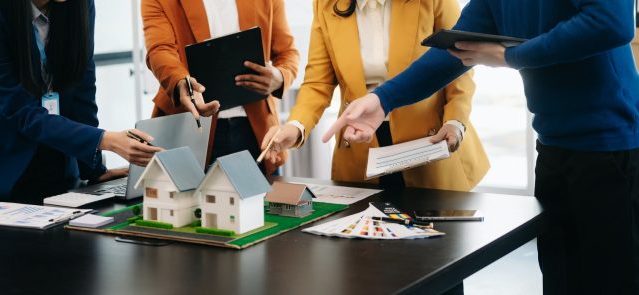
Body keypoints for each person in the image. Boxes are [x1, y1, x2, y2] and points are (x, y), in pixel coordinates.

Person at [324, 0, 639, 293]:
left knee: (611, 281)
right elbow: (455, 48)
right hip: (554, 147)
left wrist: (510, 56)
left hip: (611, 148)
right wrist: (383, 100)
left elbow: (611, 23)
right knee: (560, 279)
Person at [0, 0, 161, 207]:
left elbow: (81, 91)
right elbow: (19, 111)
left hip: (52, 169)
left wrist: (92, 169)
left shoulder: (79, 5)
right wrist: (105, 140)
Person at [261, 0, 489, 193]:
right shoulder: (326, 4)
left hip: (430, 143)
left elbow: (459, 63)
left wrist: (455, 122)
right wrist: (295, 126)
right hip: (360, 145)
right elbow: (318, 82)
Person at [141, 0, 299, 174]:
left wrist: (279, 77)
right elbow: (159, 49)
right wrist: (180, 82)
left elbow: (287, 52)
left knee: (262, 201)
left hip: (256, 130)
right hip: (189, 128)